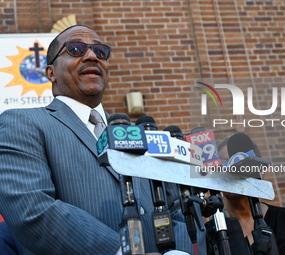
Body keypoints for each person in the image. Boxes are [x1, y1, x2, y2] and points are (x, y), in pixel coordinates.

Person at [0, 25, 201, 255]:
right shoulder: (22, 122)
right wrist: (123, 251)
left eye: (101, 51)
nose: (92, 55)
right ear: (51, 73)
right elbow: (32, 208)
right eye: (75, 49)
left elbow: (174, 207)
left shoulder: (140, 133)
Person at [216, 134, 285, 255]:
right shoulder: (210, 234)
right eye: (223, 164)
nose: (230, 170)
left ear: (259, 170)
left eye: (238, 161)